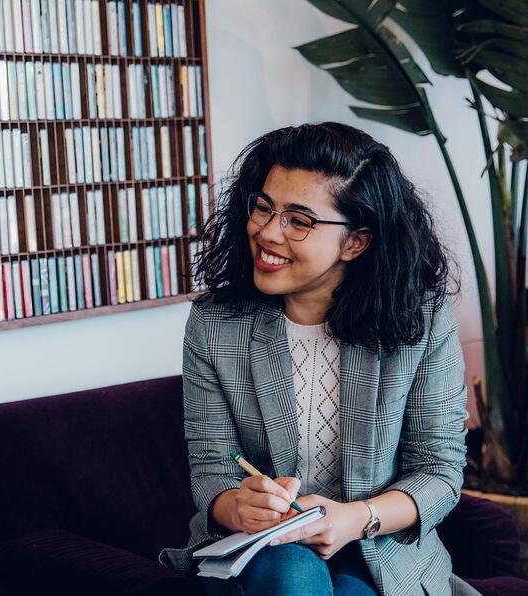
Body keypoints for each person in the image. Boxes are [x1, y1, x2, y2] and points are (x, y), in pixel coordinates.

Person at [159, 123, 471, 596]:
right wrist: (239, 507)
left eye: (298, 220)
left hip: (379, 548)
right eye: (264, 207)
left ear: (355, 242)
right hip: (261, 554)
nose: (266, 232)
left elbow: (440, 472)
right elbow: (211, 470)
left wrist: (354, 519)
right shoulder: (216, 324)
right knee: (292, 574)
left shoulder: (420, 320)